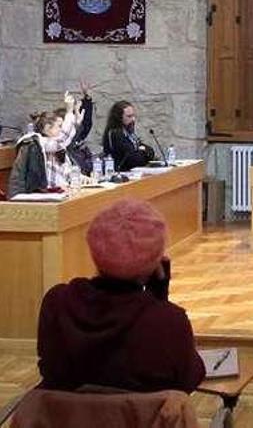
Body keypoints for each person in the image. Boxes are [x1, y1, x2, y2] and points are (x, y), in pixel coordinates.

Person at [37, 199, 205, 393]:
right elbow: (189, 381)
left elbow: (50, 372)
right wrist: (159, 301)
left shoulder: (57, 302)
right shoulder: (169, 320)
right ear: (156, 262)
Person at [7, 95, 78, 198]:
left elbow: (66, 170)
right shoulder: (40, 144)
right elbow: (64, 137)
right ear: (48, 128)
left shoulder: (57, 148)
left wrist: (78, 177)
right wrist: (70, 111)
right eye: (59, 126)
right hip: (46, 194)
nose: (61, 129)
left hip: (62, 192)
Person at [102, 100, 156, 171]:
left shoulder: (129, 133)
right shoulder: (116, 134)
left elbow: (150, 151)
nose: (133, 119)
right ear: (119, 118)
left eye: (133, 115)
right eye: (129, 116)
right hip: (121, 173)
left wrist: (143, 150)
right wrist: (143, 152)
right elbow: (133, 159)